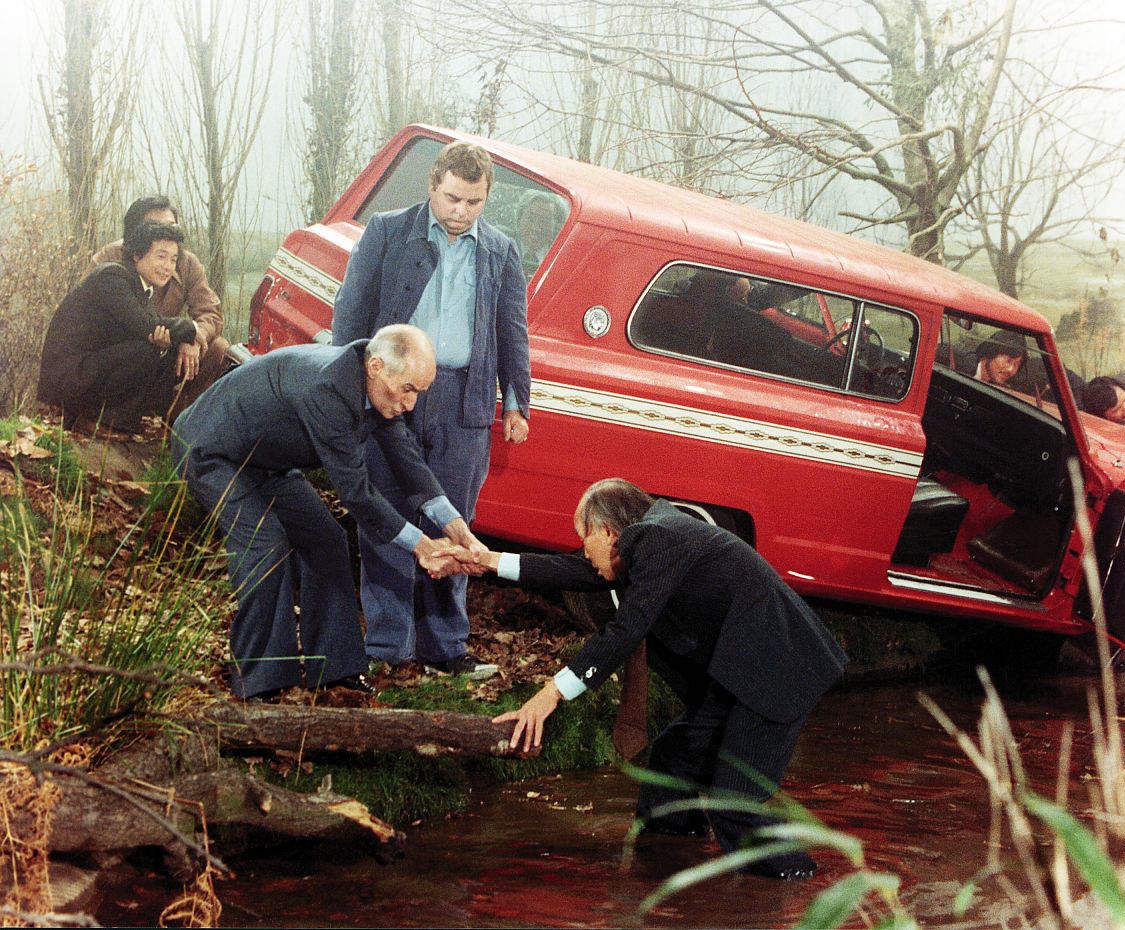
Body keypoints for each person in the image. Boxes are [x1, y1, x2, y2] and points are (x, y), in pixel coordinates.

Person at [446, 478, 848, 879]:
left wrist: (551, 694)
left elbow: (627, 628)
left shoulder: (661, 539)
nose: (584, 551)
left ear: (608, 532)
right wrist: (487, 561)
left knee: (733, 806)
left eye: (583, 538)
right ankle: (665, 864)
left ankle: (806, 885)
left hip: (776, 673)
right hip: (737, 674)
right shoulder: (649, 543)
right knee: (673, 759)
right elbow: (573, 570)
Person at [170, 324, 488, 701]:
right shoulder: (329, 391)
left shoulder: (375, 387)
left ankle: (336, 670)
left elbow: (408, 463)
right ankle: (259, 684)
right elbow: (357, 493)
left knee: (327, 540)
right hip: (210, 453)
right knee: (266, 546)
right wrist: (420, 545)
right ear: (375, 366)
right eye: (407, 390)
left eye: (419, 392)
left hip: (264, 460)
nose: (411, 404)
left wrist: (456, 527)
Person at [331, 141, 531, 679]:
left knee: (454, 521)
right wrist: (350, 388)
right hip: (391, 390)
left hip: (465, 400)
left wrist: (516, 401)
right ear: (432, 185)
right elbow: (350, 312)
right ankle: (389, 649)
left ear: (487, 198)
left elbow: (513, 330)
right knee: (387, 514)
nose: (461, 211)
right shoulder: (387, 231)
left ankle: (446, 647)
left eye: (474, 202)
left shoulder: (501, 251)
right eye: (451, 198)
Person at [38, 221, 197, 433]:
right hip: (70, 376)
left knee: (166, 350)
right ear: (137, 255)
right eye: (161, 256)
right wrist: (192, 328)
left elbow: (154, 328)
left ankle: (143, 418)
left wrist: (179, 339)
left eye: (173, 260)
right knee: (145, 350)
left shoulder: (142, 290)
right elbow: (147, 325)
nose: (168, 267)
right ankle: (97, 421)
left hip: (90, 369)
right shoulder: (112, 276)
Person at [93, 196, 230, 417]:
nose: (165, 234)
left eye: (171, 227)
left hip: (168, 344)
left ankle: (180, 419)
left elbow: (210, 312)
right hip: (121, 350)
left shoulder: (187, 263)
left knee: (219, 348)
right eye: (155, 228)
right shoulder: (109, 258)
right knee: (139, 353)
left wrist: (193, 336)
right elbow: (92, 319)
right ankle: (111, 416)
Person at [514, 190, 565, 279]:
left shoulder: (561, 259)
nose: (535, 228)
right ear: (520, 218)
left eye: (544, 221)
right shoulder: (500, 246)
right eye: (530, 218)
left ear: (556, 227)